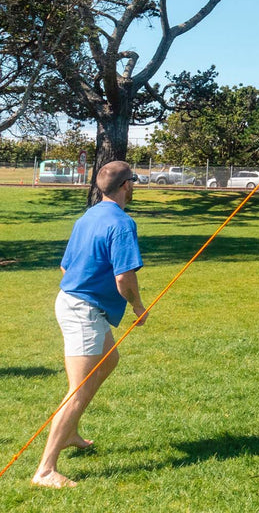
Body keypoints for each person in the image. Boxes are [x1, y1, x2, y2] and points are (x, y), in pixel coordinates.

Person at [32, 161, 148, 488]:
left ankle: (68, 434)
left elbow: (65, 267)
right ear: (127, 185)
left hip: (74, 304)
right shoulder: (122, 223)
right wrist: (138, 307)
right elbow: (124, 277)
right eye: (133, 181)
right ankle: (45, 470)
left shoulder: (88, 216)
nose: (134, 186)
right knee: (77, 390)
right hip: (83, 311)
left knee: (109, 359)